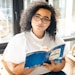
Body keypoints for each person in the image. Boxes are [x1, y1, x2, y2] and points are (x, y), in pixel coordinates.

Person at [3, 1, 67, 75]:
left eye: (46, 18)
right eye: (37, 16)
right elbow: (16, 71)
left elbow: (62, 63)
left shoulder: (55, 39)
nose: (40, 21)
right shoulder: (18, 40)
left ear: (50, 23)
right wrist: (37, 59)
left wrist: (54, 68)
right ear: (30, 18)